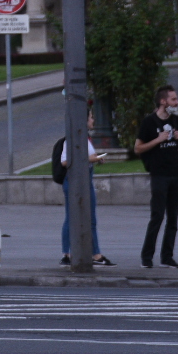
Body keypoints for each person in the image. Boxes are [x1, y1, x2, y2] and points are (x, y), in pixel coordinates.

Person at [135, 85, 178, 269]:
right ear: (163, 101)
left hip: (177, 173)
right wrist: (157, 140)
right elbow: (138, 148)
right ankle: (147, 257)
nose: (177, 102)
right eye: (173, 99)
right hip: (159, 175)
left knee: (173, 218)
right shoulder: (149, 123)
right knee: (157, 216)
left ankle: (167, 257)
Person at [60, 111, 114, 266]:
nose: (93, 120)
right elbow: (64, 161)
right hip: (74, 181)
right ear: (83, 121)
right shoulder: (72, 139)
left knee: (90, 218)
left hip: (86, 180)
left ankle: (95, 253)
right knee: (72, 217)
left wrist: (96, 159)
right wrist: (91, 158)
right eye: (91, 117)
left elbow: (86, 156)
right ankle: (68, 254)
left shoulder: (85, 138)